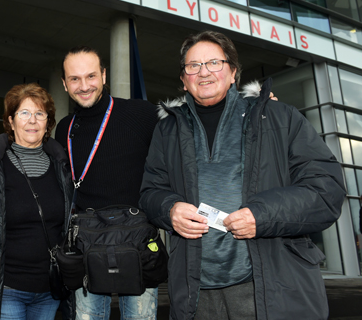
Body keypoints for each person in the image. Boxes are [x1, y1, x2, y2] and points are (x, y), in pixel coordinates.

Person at [139, 30, 346, 320]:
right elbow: (150, 193)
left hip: (269, 288)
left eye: (214, 62)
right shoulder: (167, 131)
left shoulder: (279, 118)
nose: (203, 72)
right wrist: (169, 209)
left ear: (233, 72)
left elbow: (327, 190)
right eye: (193, 66)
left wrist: (262, 216)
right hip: (195, 295)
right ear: (184, 80)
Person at [54, 46, 160, 320]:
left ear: (103, 75)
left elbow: (186, 128)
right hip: (86, 243)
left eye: (91, 76)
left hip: (135, 239)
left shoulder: (141, 113)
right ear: (65, 84)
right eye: (74, 79)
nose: (84, 85)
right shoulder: (65, 128)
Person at [0, 83, 72, 320]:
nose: (32, 120)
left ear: (48, 122)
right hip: (6, 288)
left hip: (49, 290)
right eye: (24, 113)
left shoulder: (63, 165)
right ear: (11, 120)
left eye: (40, 114)